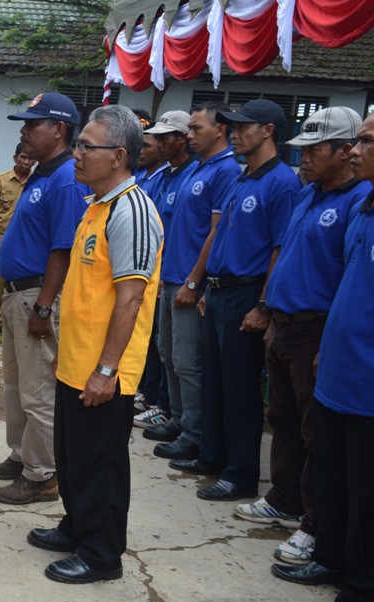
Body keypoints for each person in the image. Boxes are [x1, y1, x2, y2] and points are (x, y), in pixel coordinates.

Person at [29, 104, 162, 585]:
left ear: (119, 155)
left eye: (87, 146)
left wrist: (107, 370)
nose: (78, 154)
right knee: (75, 455)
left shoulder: (132, 211)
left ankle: (103, 554)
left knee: (102, 462)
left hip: (105, 371)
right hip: (75, 361)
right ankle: (77, 525)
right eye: (79, 144)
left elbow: (131, 299)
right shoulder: (96, 206)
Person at [233, 107, 366, 566]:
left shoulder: (357, 201)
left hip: (316, 330)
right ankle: (285, 499)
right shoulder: (310, 195)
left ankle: (314, 524)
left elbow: (350, 280)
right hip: (284, 324)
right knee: (285, 420)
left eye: (314, 151)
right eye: (302, 151)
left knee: (317, 436)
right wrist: (268, 309)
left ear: (345, 152)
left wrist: (327, 343)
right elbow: (285, 257)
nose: (304, 159)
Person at [270, 111, 374, 602]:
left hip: (360, 373)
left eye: (366, 142)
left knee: (362, 488)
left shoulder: (356, 200)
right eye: (355, 142)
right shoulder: (361, 207)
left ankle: (359, 593)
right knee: (330, 467)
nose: (357, 151)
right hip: (332, 358)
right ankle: (330, 556)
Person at [0, 92, 90, 506]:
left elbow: (63, 249)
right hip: (16, 296)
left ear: (58, 130)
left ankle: (43, 476)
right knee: (16, 385)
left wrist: (45, 305)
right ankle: (23, 456)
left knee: (39, 390)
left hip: (35, 297)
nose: (24, 131)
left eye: (33, 124)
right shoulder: (42, 174)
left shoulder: (65, 179)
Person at [191, 100, 301, 501]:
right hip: (220, 291)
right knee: (215, 382)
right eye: (231, 127)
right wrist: (206, 287)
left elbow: (279, 249)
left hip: (247, 294)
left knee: (240, 388)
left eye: (242, 126)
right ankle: (214, 456)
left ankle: (240, 474)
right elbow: (221, 235)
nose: (234, 133)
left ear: (268, 130)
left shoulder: (282, 183)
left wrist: (264, 304)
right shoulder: (242, 179)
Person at [159, 102, 242, 463]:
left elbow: (215, 231)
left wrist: (195, 283)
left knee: (187, 360)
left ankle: (194, 432)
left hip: (188, 280)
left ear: (220, 129)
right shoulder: (199, 168)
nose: (189, 135)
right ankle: (179, 419)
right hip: (170, 275)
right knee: (168, 353)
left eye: (196, 128)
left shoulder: (225, 171)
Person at [130, 120, 171, 431]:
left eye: (146, 145)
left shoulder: (166, 178)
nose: (141, 151)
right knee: (156, 341)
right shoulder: (146, 177)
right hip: (158, 274)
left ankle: (158, 400)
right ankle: (147, 392)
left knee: (163, 346)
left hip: (165, 274)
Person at [0, 143, 33, 334]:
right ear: (15, 158)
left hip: (26, 237)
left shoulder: (38, 182)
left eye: (29, 158)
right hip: (0, 235)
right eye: (23, 157)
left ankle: (17, 319)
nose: (26, 162)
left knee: (25, 279)